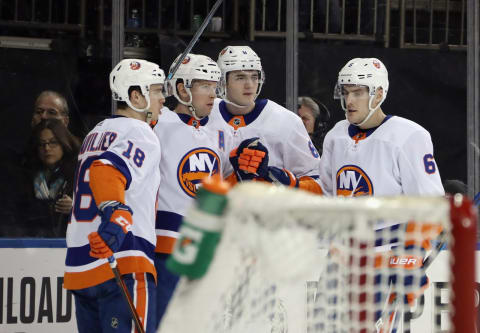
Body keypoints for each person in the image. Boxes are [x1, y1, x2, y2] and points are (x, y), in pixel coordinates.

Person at [152, 53, 265, 328]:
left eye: (215, 87)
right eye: (204, 86)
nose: (212, 95)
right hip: (166, 246)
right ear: (182, 89)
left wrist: (244, 170)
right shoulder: (157, 125)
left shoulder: (219, 129)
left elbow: (222, 185)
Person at [64, 59, 165, 333]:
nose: (163, 99)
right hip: (122, 260)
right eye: (156, 90)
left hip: (81, 266)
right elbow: (106, 169)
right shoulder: (141, 132)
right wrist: (117, 214)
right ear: (135, 96)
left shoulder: (95, 134)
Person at [319, 57, 444, 196]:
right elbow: (326, 196)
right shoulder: (336, 135)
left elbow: (430, 204)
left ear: (378, 95)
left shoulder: (409, 137)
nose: (349, 101)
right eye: (346, 92)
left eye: (357, 93)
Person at [210, 45, 322, 194]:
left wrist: (290, 183)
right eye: (240, 77)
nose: (249, 84)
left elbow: (319, 180)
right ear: (222, 81)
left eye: (254, 76)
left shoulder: (285, 121)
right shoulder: (206, 114)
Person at [18, 119, 80, 237]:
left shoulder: (79, 172)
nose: (46, 148)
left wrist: (75, 207)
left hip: (67, 240)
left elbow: (93, 209)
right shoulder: (28, 174)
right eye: (41, 144)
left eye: (53, 142)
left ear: (63, 143)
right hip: (32, 242)